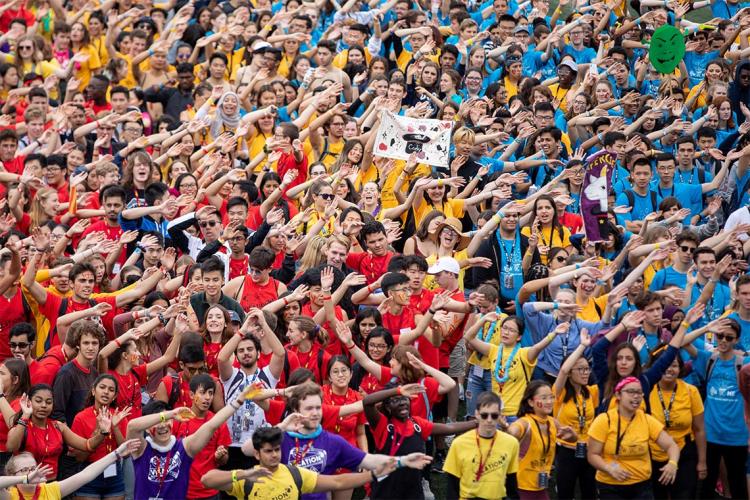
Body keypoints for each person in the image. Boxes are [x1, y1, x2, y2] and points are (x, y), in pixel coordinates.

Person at [201, 426, 416, 500]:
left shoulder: (294, 474)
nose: (274, 455)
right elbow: (207, 480)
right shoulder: (246, 480)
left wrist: (373, 474)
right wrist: (244, 475)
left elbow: (337, 482)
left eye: (277, 450)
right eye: (268, 451)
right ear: (256, 454)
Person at [587, 377, 681, 499]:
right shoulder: (604, 420)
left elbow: (671, 445)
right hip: (610, 485)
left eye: (639, 392)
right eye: (631, 392)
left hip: (642, 485)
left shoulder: (647, 420)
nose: (636, 396)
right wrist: (609, 469)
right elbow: (592, 455)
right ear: (618, 395)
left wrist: (672, 463)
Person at [443, 391, 519, 500]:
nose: (489, 420)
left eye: (494, 415)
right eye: (484, 415)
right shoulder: (459, 444)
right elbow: (452, 488)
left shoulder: (511, 443)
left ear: (500, 416)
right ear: (477, 414)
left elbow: (512, 485)